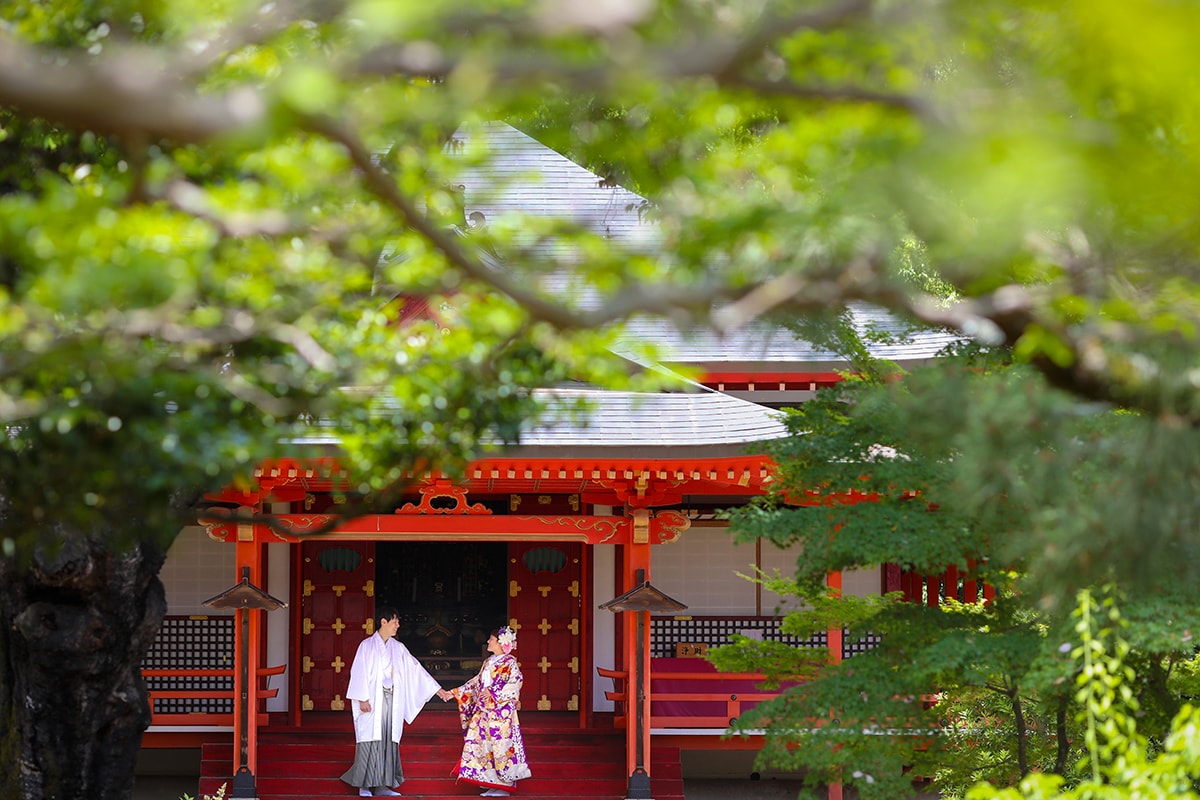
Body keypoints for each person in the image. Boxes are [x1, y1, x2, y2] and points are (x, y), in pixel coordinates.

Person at [341, 607, 443, 797]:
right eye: (395, 621)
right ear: (383, 622)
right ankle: (364, 785)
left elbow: (415, 669)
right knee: (370, 741)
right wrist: (362, 697)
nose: (398, 625)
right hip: (372, 699)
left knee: (388, 739)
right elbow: (359, 671)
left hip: (391, 699)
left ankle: (382, 785)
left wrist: (438, 690)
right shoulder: (366, 646)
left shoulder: (398, 648)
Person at [437, 625, 532, 797]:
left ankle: (504, 786)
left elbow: (515, 684)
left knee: (501, 748)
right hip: (484, 712)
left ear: (502, 643)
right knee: (485, 747)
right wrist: (454, 692)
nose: (488, 641)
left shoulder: (510, 663)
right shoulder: (488, 662)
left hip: (500, 715)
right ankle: (492, 782)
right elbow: (475, 683)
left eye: (492, 639)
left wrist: (494, 692)